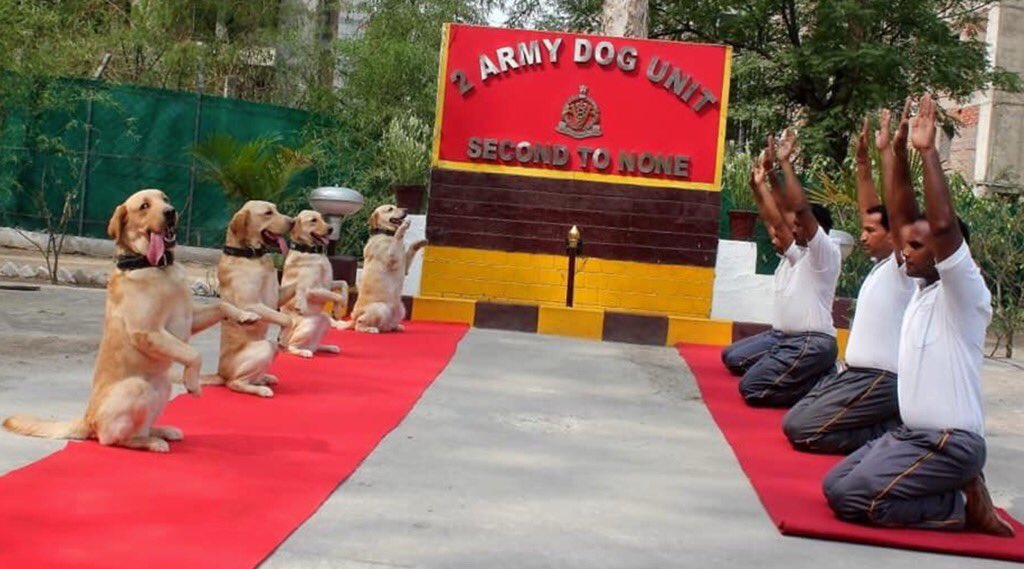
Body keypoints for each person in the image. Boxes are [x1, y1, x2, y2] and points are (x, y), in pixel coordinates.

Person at [823, 96, 1014, 536]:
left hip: (950, 443)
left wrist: (927, 153)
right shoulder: (918, 288)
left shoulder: (964, 293)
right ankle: (955, 493)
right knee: (835, 485)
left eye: (916, 247)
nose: (905, 252)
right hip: (912, 435)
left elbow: (942, 228)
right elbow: (903, 216)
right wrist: (895, 154)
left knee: (853, 498)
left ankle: (959, 505)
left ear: (948, 255)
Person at [782, 117, 916, 454]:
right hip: (853, 373)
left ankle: (894, 432)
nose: (862, 236)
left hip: (881, 379)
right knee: (792, 420)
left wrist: (890, 154)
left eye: (871, 231)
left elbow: (897, 208)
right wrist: (862, 164)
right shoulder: (881, 267)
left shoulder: (903, 268)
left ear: (895, 236)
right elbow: (871, 208)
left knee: (804, 431)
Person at [737, 130, 841, 408]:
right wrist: (762, 183)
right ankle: (816, 376)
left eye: (799, 226)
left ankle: (822, 381)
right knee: (735, 361)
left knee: (751, 388)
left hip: (812, 342)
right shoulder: (798, 255)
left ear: (816, 228)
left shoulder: (824, 253)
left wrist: (784, 164)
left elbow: (798, 210)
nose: (792, 230)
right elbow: (777, 218)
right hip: (789, 340)